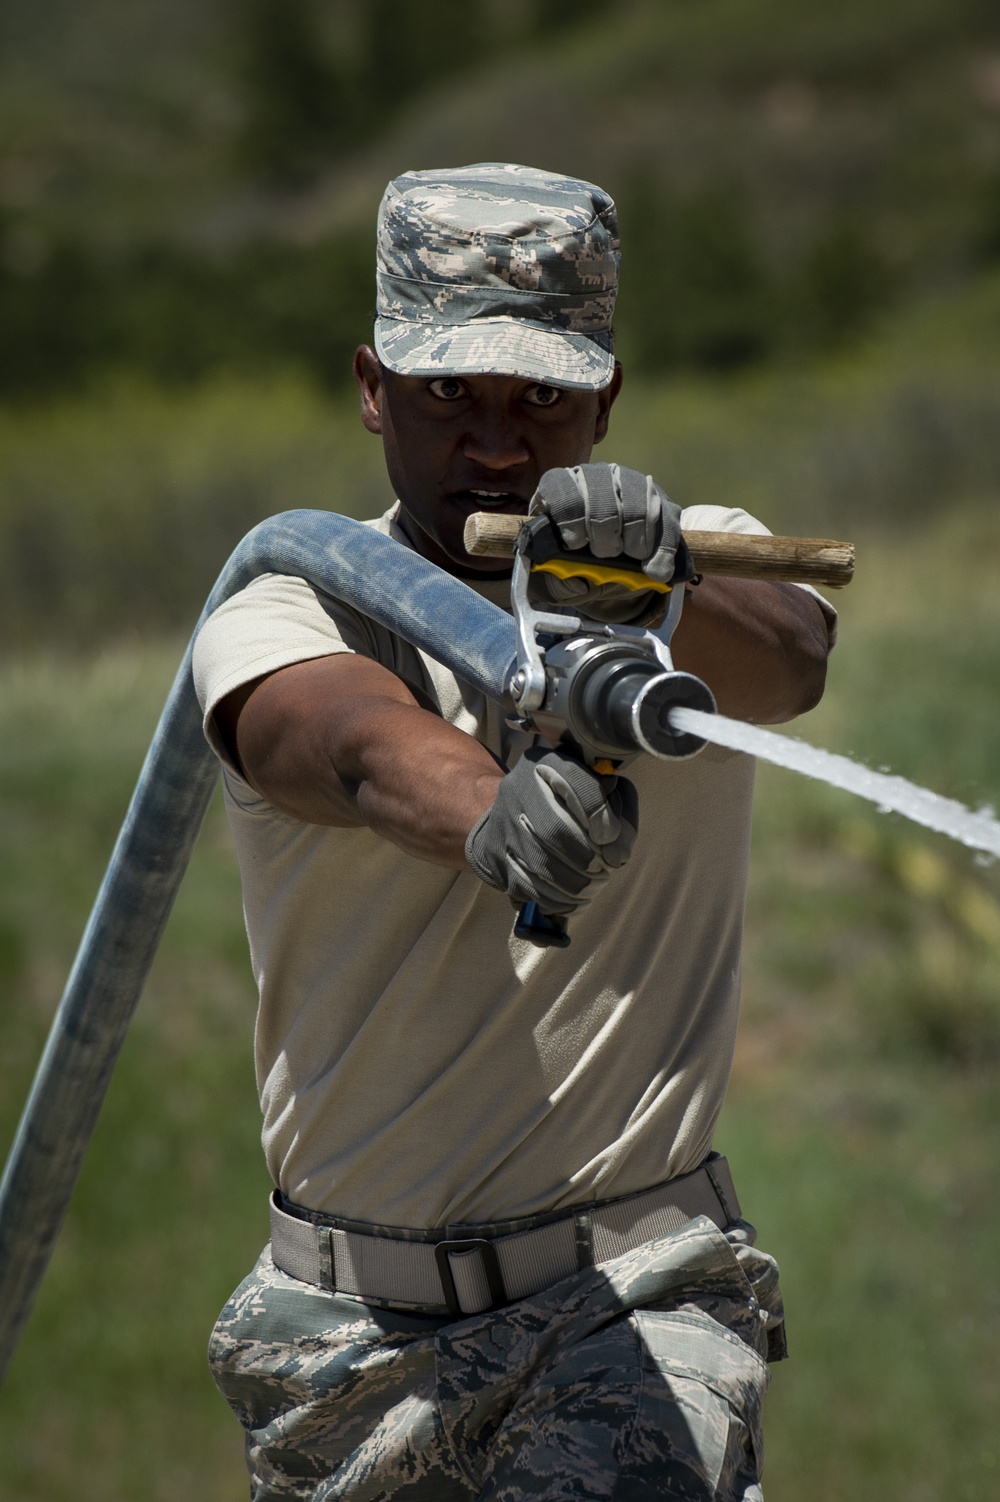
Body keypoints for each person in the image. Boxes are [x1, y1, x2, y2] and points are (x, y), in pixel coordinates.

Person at [193, 163, 835, 1501]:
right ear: (373, 388)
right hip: (339, 1347)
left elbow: (790, 656)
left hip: (632, 1298)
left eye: (541, 397)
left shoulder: (699, 563)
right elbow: (349, 745)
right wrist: (498, 815)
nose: (497, 442)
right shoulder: (288, 606)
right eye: (450, 396)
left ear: (606, 398)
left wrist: (649, 603)